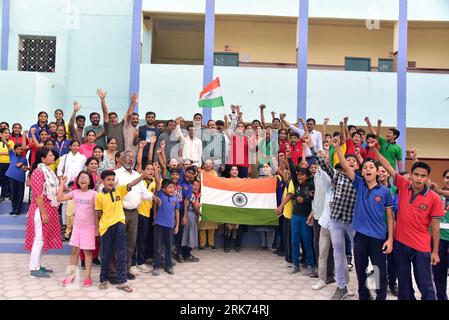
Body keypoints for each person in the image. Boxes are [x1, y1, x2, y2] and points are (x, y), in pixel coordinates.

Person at [371, 139, 444, 300]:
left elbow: (436, 226)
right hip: (400, 244)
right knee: (404, 285)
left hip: (421, 247)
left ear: (427, 178)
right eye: (416, 175)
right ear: (411, 175)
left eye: (423, 176)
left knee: (426, 286)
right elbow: (389, 167)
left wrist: (436, 251)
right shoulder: (403, 185)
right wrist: (375, 150)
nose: (419, 179)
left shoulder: (434, 198)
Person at [334, 139, 394, 300]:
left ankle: (380, 296)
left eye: (371, 167)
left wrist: (390, 239)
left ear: (377, 172)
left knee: (377, 270)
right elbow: (346, 166)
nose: (368, 169)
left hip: (378, 238)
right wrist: (337, 148)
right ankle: (364, 296)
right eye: (365, 167)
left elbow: (390, 216)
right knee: (361, 271)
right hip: (360, 236)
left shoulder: (385, 192)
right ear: (362, 172)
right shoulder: (358, 184)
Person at [306, 133, 357, 300]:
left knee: (341, 254)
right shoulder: (331, 179)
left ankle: (346, 284)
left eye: (348, 166)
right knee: (322, 252)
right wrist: (313, 147)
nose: (342, 170)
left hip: (342, 223)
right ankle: (322, 279)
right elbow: (322, 164)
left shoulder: (355, 184)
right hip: (325, 222)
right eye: (340, 168)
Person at [95, 169, 149, 292]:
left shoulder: (119, 190)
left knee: (122, 253)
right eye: (108, 179)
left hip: (120, 224)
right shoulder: (99, 196)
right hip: (106, 227)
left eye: (113, 179)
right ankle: (103, 279)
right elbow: (98, 213)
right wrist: (98, 228)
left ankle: (122, 281)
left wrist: (142, 176)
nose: (111, 182)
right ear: (103, 181)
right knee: (106, 254)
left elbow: (131, 184)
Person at [112, 151, 156, 280]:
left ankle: (126, 269)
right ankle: (115, 271)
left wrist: (153, 196)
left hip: (134, 213)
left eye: (132, 158)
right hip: (121, 212)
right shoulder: (116, 174)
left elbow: (144, 193)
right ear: (121, 159)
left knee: (131, 243)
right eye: (128, 157)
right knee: (119, 243)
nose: (131, 160)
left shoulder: (137, 174)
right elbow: (109, 190)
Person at [24, 148, 62, 278]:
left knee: (43, 238)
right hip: (41, 209)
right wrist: (44, 213)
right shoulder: (38, 172)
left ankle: (38, 265)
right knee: (39, 238)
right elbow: (37, 195)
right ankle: (34, 269)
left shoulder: (48, 171)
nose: (53, 157)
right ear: (43, 159)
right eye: (50, 155)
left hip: (49, 208)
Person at [58, 172, 98, 287]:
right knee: (75, 251)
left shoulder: (94, 194)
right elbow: (60, 198)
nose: (83, 179)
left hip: (89, 227)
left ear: (90, 181)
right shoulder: (75, 193)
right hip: (77, 227)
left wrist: (96, 228)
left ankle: (87, 277)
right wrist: (62, 184)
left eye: (85, 178)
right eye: (81, 178)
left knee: (87, 252)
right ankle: (71, 276)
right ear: (77, 181)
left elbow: (97, 212)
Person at [306, 158, 335, 288]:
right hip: (317, 215)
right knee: (318, 245)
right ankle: (320, 271)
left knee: (328, 248)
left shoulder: (331, 174)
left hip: (327, 217)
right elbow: (317, 196)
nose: (321, 158)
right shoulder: (316, 175)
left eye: (324, 155)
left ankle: (330, 275)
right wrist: (312, 213)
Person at [286, 144, 315, 276]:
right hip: (295, 216)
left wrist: (305, 200)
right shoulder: (296, 183)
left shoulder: (311, 185)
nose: (299, 177)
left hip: (305, 217)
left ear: (307, 176)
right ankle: (295, 265)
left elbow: (314, 199)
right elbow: (292, 170)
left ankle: (310, 265)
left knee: (307, 241)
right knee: (294, 240)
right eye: (298, 175)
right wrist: (289, 158)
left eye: (302, 175)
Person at [132, 161, 159, 273]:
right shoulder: (139, 181)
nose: (150, 171)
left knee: (143, 240)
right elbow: (138, 163)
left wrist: (154, 215)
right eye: (148, 169)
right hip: (137, 213)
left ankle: (140, 262)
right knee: (134, 240)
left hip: (147, 215)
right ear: (143, 171)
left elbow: (154, 200)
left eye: (152, 169)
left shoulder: (154, 183)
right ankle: (132, 264)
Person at [152, 179, 180, 276]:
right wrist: (156, 169)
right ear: (164, 189)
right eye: (169, 187)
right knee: (158, 247)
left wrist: (177, 225)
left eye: (173, 187)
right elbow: (158, 183)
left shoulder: (175, 199)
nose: (172, 189)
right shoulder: (161, 195)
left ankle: (168, 266)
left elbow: (177, 212)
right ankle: (156, 266)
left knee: (168, 247)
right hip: (159, 225)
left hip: (170, 227)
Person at [432, 171, 449, 300]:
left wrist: (438, 191)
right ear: (443, 179)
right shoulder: (436, 196)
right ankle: (442, 297)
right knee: (439, 273)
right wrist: (415, 159)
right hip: (439, 241)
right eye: (447, 177)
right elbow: (425, 180)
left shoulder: (439, 193)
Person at [223, 166, 246, 252]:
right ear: (229, 172)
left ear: (238, 172)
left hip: (239, 205)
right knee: (227, 227)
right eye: (232, 170)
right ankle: (226, 246)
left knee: (238, 227)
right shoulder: (225, 181)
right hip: (228, 206)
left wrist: (249, 181)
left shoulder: (242, 181)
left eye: (236, 170)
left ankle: (237, 245)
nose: (234, 171)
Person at [198, 160, 218, 250]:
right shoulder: (201, 173)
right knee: (202, 222)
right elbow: (198, 184)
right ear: (204, 165)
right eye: (206, 164)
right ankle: (202, 244)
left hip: (212, 200)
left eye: (210, 164)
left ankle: (211, 243)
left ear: (212, 165)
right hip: (202, 198)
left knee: (212, 223)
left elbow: (217, 184)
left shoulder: (215, 173)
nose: (208, 165)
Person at [6, 137, 28, 216]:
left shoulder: (24, 159)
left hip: (21, 179)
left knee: (20, 194)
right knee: (13, 193)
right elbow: (8, 145)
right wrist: (3, 138)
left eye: (21, 149)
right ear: (15, 150)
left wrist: (22, 165)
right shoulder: (12, 154)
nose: (20, 151)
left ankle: (17, 210)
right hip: (12, 177)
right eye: (18, 149)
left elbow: (26, 169)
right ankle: (13, 209)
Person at [181, 179, 201, 262]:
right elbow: (196, 207)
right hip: (190, 215)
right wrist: (199, 212)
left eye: (197, 185)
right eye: (194, 185)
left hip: (190, 216)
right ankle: (187, 255)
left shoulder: (194, 195)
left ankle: (186, 254)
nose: (196, 187)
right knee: (190, 235)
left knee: (188, 235)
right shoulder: (191, 195)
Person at [0, 128, 14, 201]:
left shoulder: (11, 142)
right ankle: (2, 195)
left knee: (8, 179)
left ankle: (8, 194)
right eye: (5, 133)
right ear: (1, 134)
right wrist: (6, 153)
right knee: (2, 179)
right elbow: (7, 152)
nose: (7, 134)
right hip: (0, 163)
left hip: (8, 163)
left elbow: (10, 149)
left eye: (8, 133)